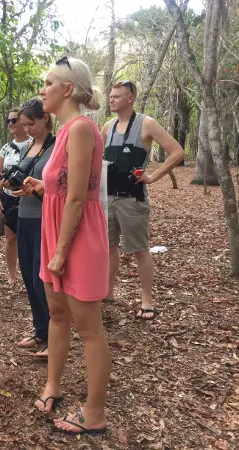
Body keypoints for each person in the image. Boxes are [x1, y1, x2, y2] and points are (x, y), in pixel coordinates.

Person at [24, 57, 110, 435]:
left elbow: (78, 199)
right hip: (55, 231)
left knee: (89, 329)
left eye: (48, 83)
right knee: (57, 315)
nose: (42, 90)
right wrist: (43, 187)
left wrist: (60, 251)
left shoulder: (80, 128)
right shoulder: (64, 132)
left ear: (67, 89)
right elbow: (68, 187)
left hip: (76, 238)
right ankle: (53, 385)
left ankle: (94, 414)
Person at [101, 80, 184, 319]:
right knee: (109, 246)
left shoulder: (146, 124)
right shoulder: (108, 127)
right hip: (107, 198)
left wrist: (153, 177)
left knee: (139, 249)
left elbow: (177, 152)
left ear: (130, 98)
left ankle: (147, 300)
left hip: (132, 199)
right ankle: (108, 292)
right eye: (110, 96)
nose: (112, 99)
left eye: (117, 96)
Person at [10, 99, 56, 358]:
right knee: (28, 273)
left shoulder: (57, 146)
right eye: (23, 124)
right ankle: (40, 329)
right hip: (24, 215)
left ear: (45, 119)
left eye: (31, 124)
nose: (26, 129)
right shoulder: (29, 146)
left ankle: (55, 334)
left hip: (44, 217)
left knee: (42, 279)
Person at [0, 108, 30, 288]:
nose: (10, 124)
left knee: (29, 238)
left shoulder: (35, 145)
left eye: (14, 120)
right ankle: (12, 276)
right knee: (10, 238)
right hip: (8, 198)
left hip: (30, 197)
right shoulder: (6, 149)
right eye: (8, 120)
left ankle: (31, 275)